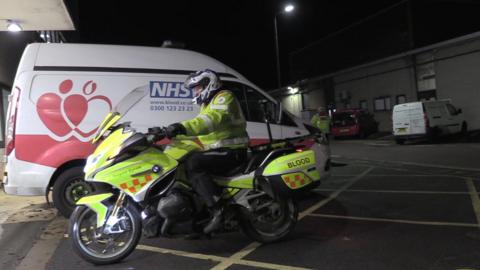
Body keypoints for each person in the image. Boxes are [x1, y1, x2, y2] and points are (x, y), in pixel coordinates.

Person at [164, 69, 249, 234]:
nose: (195, 92)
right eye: (194, 88)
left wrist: (181, 127)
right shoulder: (207, 104)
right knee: (181, 164)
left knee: (194, 163)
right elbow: (203, 134)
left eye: (197, 87)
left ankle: (218, 211)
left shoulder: (224, 97)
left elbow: (209, 121)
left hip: (232, 151)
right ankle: (197, 221)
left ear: (209, 84)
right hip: (218, 151)